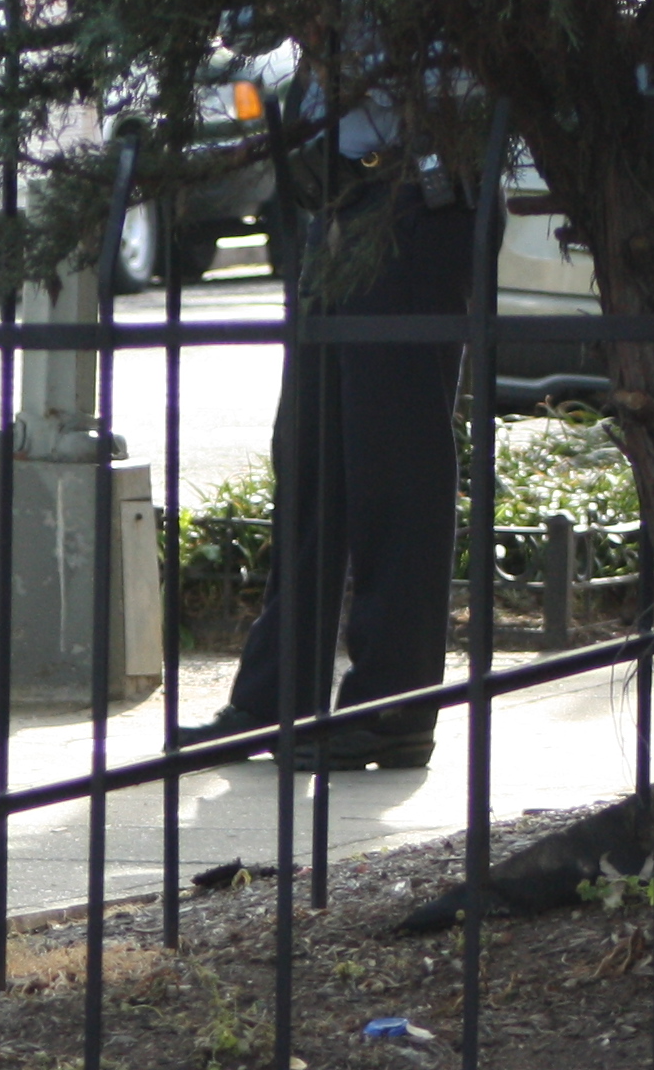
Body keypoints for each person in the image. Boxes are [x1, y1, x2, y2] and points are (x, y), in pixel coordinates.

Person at [182, 91, 474, 773]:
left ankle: (392, 707)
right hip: (337, 195)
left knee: (394, 460)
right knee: (310, 457)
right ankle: (275, 697)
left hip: (414, 194)